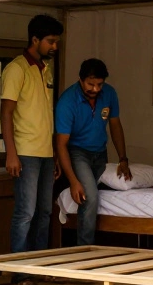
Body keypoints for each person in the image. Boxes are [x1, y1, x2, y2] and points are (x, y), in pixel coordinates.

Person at [1, 14, 62, 285]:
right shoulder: (17, 68)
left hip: (46, 153)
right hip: (24, 152)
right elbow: (6, 113)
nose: (54, 47)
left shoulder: (45, 68)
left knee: (45, 212)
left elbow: (44, 116)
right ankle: (19, 273)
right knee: (25, 213)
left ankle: (39, 267)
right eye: (50, 41)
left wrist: (56, 156)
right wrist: (10, 153)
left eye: (56, 42)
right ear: (35, 40)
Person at [54, 58, 131, 246]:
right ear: (80, 80)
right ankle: (85, 250)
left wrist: (123, 159)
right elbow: (61, 144)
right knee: (90, 196)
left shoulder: (110, 94)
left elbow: (115, 126)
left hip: (100, 152)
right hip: (77, 152)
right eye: (90, 84)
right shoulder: (67, 101)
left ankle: (99, 245)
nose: (95, 89)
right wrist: (73, 181)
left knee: (98, 195)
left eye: (99, 84)